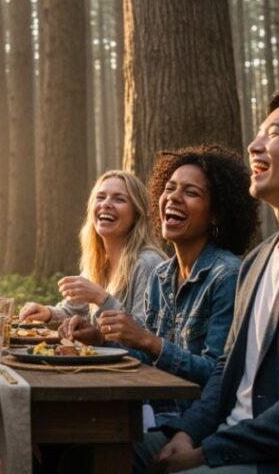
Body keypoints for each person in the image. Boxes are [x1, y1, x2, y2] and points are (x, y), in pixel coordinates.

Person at [136, 89, 279, 474]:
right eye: (258, 135)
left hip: (278, 460)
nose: (254, 146)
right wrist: (187, 434)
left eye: (274, 134)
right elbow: (225, 371)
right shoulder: (256, 261)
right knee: (86, 453)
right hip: (219, 438)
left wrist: (206, 453)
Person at [99, 146, 259, 423]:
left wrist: (149, 341)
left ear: (216, 215)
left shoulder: (227, 275)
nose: (173, 197)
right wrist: (99, 339)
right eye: (169, 188)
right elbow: (146, 358)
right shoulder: (161, 275)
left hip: (192, 428)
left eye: (191, 192)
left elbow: (217, 374)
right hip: (151, 414)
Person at [19, 170, 166, 339]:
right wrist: (47, 313)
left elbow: (145, 336)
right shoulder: (98, 262)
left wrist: (101, 298)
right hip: (106, 364)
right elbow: (75, 311)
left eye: (119, 199)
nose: (106, 204)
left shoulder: (148, 263)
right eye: (101, 197)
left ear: (136, 214)